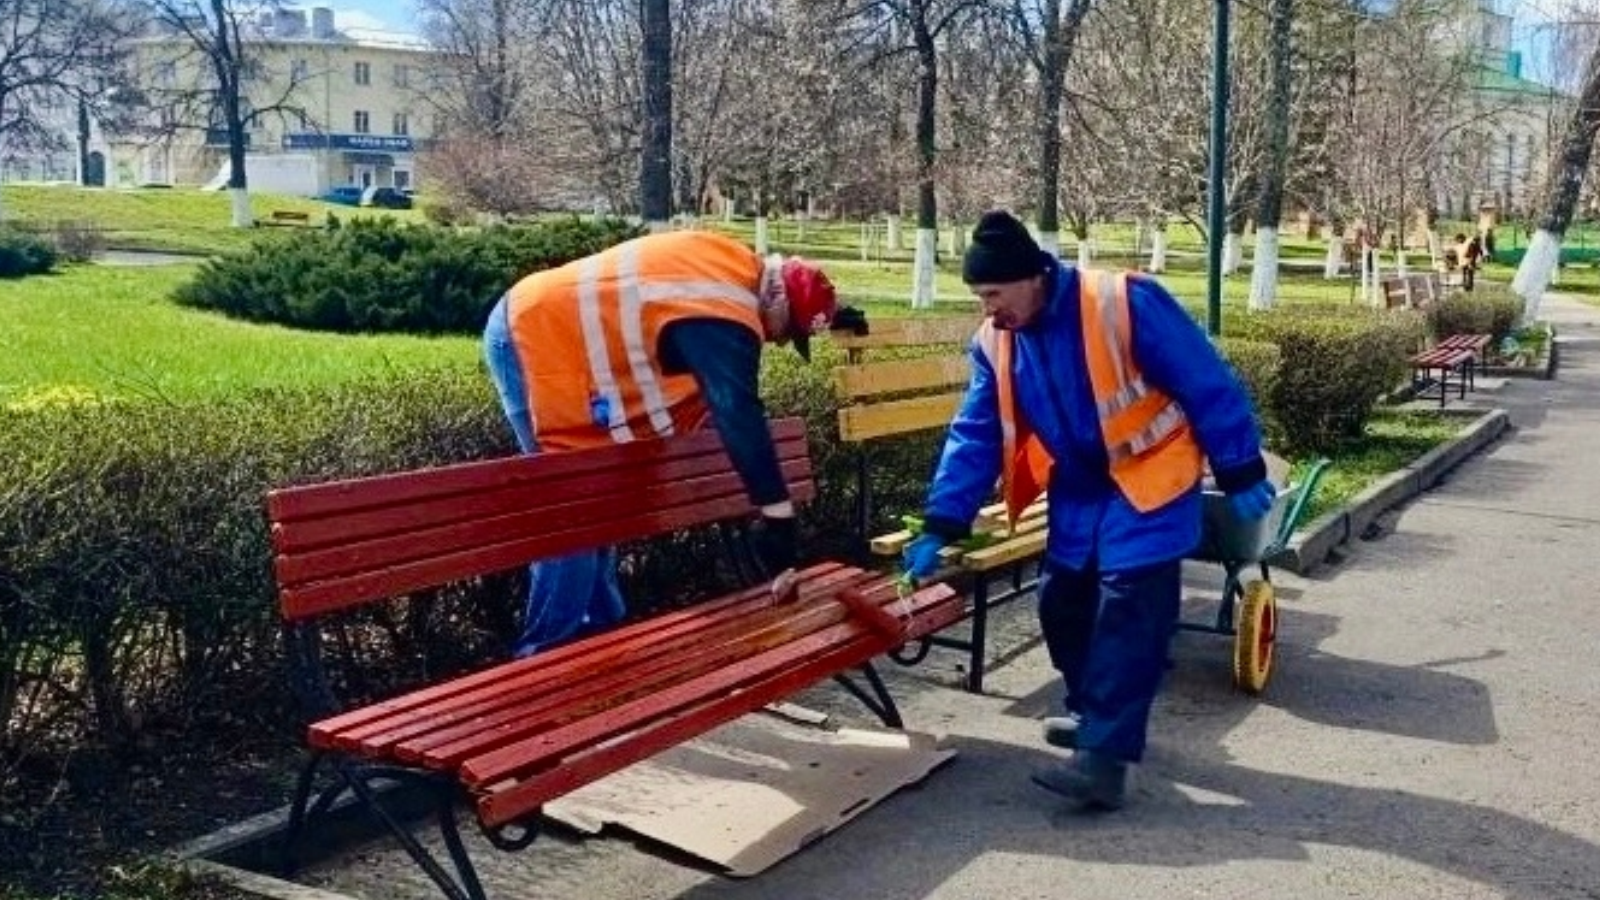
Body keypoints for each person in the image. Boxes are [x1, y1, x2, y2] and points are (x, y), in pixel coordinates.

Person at [901, 210, 1274, 812]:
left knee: (1130, 604)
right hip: (1081, 486)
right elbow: (974, 432)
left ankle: (1104, 761)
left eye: (994, 294)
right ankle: (1096, 715)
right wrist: (944, 518)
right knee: (1062, 602)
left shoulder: (1123, 302)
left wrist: (1240, 466)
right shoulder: (996, 341)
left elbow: (1205, 378)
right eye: (979, 296)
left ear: (1033, 278)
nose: (987, 308)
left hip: (1151, 475)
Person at [482, 228, 854, 658]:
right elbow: (737, 412)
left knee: (593, 507)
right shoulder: (725, 312)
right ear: (777, 302)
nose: (780, 341)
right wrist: (778, 519)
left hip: (552, 333)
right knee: (574, 511)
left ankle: (601, 640)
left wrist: (830, 313)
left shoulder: (735, 272)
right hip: (532, 338)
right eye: (788, 331)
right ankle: (543, 657)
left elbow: (785, 297)